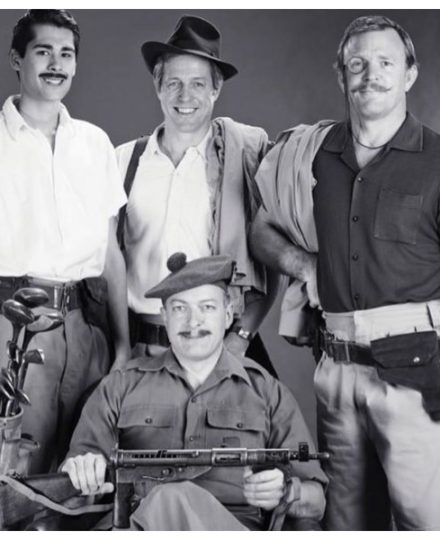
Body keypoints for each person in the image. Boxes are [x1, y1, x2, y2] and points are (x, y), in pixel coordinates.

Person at [250, 15, 440, 530]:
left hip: (417, 378)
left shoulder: (438, 162)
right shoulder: (314, 155)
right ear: (341, 75)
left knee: (426, 524)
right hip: (334, 374)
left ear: (410, 74)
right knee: (345, 524)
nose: (370, 74)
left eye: (385, 62)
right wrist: (302, 262)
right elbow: (261, 228)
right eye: (357, 63)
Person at [0, 9, 129, 475]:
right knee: (18, 471)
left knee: (82, 468)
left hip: (85, 325)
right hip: (16, 325)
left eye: (67, 54)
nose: (56, 64)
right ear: (17, 60)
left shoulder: (94, 144)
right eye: (43, 52)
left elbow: (110, 253)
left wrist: (121, 347)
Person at [62, 254, 326, 530]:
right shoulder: (120, 386)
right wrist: (82, 469)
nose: (193, 322)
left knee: (171, 497)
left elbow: (317, 502)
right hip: (138, 522)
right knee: (165, 500)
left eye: (207, 307)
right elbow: (75, 475)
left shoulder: (266, 392)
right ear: (164, 317)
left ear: (227, 316)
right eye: (179, 309)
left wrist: (286, 492)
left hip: (232, 525)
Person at [118, 15, 277, 375]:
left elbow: (270, 264)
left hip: (219, 347)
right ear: (157, 87)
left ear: (215, 89)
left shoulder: (245, 158)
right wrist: (120, 349)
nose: (184, 96)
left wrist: (240, 338)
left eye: (197, 84)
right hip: (140, 349)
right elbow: (107, 264)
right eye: (173, 83)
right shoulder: (123, 161)